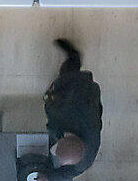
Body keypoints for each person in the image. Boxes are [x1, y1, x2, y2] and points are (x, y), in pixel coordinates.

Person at [40, 39, 102, 180]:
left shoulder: (85, 160)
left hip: (91, 101)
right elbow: (50, 103)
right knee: (68, 73)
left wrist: (49, 178)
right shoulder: (61, 116)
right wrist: (53, 91)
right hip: (81, 91)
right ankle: (74, 56)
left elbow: (65, 175)